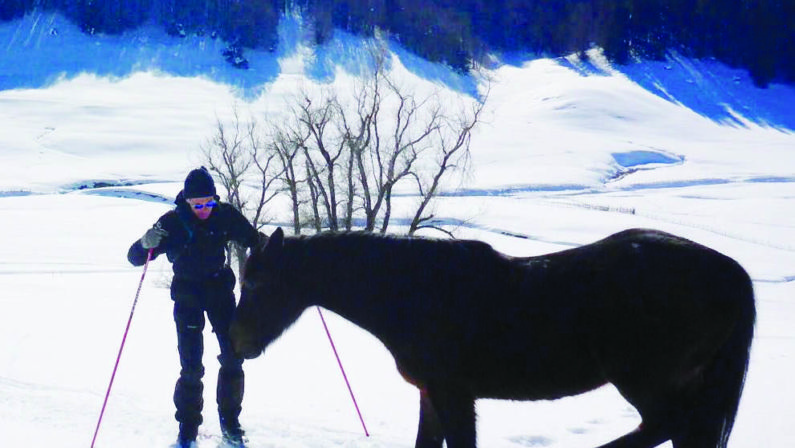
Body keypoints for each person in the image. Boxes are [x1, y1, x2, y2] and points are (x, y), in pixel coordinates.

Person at [127, 167, 260, 447]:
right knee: (191, 366)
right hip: (187, 294)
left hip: (219, 290)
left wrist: (276, 250)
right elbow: (135, 257)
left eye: (208, 202)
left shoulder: (225, 215)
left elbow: (253, 238)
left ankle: (230, 422)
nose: (204, 209)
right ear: (186, 202)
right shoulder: (172, 223)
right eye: (197, 204)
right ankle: (188, 428)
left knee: (234, 356)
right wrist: (144, 243)